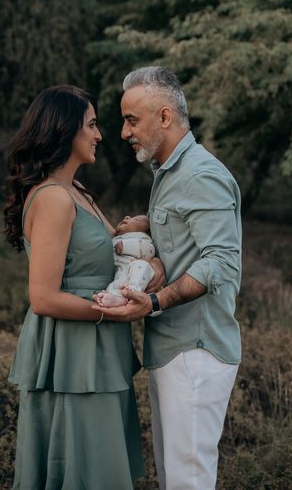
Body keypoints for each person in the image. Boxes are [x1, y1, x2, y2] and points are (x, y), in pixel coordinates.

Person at [92, 66, 241, 490]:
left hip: (195, 350)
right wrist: (150, 227)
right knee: (175, 479)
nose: (123, 132)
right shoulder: (170, 173)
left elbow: (221, 263)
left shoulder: (200, 174)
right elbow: (191, 241)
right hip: (173, 349)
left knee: (187, 482)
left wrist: (155, 302)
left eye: (131, 120)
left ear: (164, 117)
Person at [3, 85, 151, 490]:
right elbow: (43, 297)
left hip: (99, 345)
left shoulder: (78, 192)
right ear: (63, 131)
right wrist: (111, 311)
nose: (99, 134)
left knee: (100, 468)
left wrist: (143, 233)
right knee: (82, 468)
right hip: (72, 351)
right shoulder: (53, 198)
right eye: (91, 125)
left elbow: (111, 258)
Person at [94, 214, 156, 307]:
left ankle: (134, 291)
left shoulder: (142, 238)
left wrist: (125, 246)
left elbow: (149, 250)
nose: (127, 217)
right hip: (121, 273)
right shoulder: (114, 238)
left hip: (134, 271)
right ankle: (116, 299)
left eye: (137, 220)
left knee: (142, 266)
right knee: (114, 286)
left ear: (146, 232)